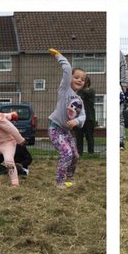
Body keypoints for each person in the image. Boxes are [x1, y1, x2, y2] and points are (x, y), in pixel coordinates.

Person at [46, 47, 86, 188]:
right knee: (67, 153)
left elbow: (83, 116)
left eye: (82, 79)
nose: (79, 80)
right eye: (76, 77)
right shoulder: (64, 90)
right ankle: (59, 181)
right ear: (70, 79)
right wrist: (58, 56)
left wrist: (76, 121)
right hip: (55, 129)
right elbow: (67, 68)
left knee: (75, 155)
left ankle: (70, 178)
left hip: (66, 131)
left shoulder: (79, 100)